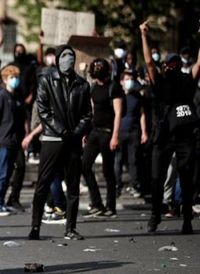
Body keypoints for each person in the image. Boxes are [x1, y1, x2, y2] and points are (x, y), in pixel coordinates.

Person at [139, 20, 200, 234]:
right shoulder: (184, 79)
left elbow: (148, 63)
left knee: (164, 177)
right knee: (170, 177)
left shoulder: (167, 79)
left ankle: (161, 217)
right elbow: (199, 64)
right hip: (170, 136)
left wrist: (144, 36)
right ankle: (180, 219)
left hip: (173, 136)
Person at [29, 45, 92, 241]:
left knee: (73, 187)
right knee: (43, 184)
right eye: (64, 55)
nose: (68, 59)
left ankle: (70, 228)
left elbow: (87, 115)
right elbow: (43, 109)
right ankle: (35, 227)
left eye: (71, 55)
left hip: (72, 142)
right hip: (52, 139)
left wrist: (76, 132)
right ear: (57, 59)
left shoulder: (82, 84)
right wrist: (62, 130)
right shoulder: (47, 80)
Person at [80, 58, 124, 218]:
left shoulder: (114, 87)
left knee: (108, 171)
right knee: (84, 166)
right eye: (95, 66)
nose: (97, 68)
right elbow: (91, 112)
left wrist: (115, 136)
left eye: (100, 66)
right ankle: (96, 204)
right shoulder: (93, 88)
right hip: (94, 132)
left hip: (108, 133)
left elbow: (118, 113)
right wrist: (86, 132)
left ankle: (110, 207)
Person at [0, 65, 26, 216]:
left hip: (14, 141)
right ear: (5, 79)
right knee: (1, 174)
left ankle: (2, 202)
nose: (15, 80)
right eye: (12, 77)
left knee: (8, 173)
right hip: (3, 141)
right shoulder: (1, 96)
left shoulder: (15, 97)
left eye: (16, 77)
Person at [114, 70, 149, 198]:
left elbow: (142, 115)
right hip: (120, 131)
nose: (129, 82)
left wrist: (144, 132)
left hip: (134, 132)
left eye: (131, 79)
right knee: (118, 160)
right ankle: (117, 186)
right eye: (127, 79)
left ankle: (135, 185)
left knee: (133, 160)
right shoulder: (117, 96)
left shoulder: (138, 97)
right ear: (121, 82)